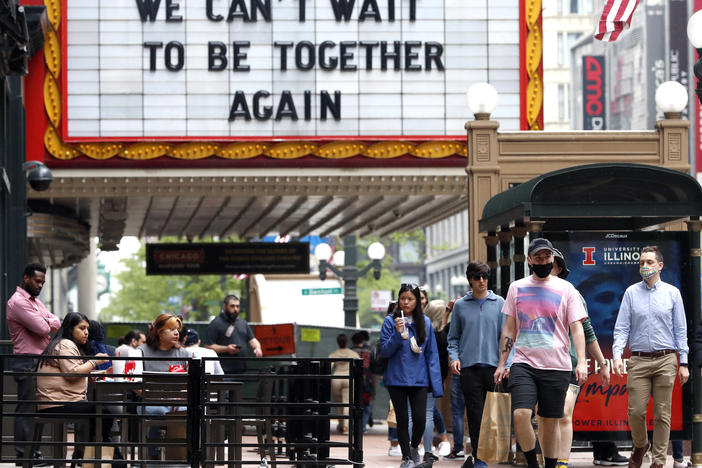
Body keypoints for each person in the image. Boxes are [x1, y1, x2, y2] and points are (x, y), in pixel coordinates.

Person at [494, 238, 588, 468]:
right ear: (529, 260)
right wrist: (502, 363)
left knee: (549, 422)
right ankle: (532, 464)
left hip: (557, 365)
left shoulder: (566, 289)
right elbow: (509, 327)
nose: (543, 261)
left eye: (546, 257)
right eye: (538, 257)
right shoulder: (517, 287)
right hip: (524, 363)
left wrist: (582, 362)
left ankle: (550, 464)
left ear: (553, 259)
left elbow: (577, 327)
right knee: (521, 414)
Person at [539, 249, 622, 468]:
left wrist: (603, 364)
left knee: (564, 412)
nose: (549, 267)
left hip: (569, 364)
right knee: (546, 417)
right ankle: (549, 460)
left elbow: (587, 332)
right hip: (539, 365)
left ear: (559, 268)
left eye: (553, 264)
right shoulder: (529, 291)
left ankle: (562, 463)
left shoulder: (572, 294)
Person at [612, 245, 689, 468]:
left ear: (660, 265)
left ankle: (658, 462)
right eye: (641, 263)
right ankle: (641, 444)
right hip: (639, 359)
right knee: (635, 411)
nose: (644, 267)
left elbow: (680, 330)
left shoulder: (672, 293)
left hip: (666, 359)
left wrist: (683, 362)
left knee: (663, 413)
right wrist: (617, 355)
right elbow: (622, 327)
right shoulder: (631, 293)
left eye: (649, 262)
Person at [448, 261, 508, 468]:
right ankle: (479, 457)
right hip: (469, 369)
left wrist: (505, 363)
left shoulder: (500, 302)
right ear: (470, 280)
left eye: (484, 277)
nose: (481, 281)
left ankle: (498, 452)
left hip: (495, 368)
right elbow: (453, 338)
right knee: (475, 415)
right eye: (477, 277)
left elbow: (507, 336)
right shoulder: (460, 306)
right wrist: (454, 357)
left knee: (495, 414)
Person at [381, 283, 443, 468]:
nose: (406, 302)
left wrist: (436, 384)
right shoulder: (390, 322)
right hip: (396, 378)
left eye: (410, 299)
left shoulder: (426, 322)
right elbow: (385, 351)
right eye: (403, 299)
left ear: (417, 302)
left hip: (419, 378)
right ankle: (406, 458)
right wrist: (398, 335)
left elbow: (432, 354)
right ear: (398, 300)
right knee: (402, 419)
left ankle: (415, 446)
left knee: (420, 418)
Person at [35, 312, 111, 462]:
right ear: (70, 328)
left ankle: (88, 454)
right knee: (104, 414)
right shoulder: (65, 344)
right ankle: (90, 457)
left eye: (87, 329)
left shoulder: (66, 344)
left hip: (60, 401)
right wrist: (94, 361)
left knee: (100, 414)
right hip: (57, 403)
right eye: (82, 328)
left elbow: (76, 371)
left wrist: (103, 372)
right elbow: (72, 373)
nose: (86, 333)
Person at [6, 262, 61, 464]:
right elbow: (43, 327)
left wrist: (46, 321)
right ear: (26, 278)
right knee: (26, 409)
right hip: (27, 361)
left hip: (39, 362)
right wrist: (45, 322)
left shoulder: (35, 303)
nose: (40, 285)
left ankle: (34, 453)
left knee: (38, 409)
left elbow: (57, 321)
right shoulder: (18, 302)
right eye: (37, 281)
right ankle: (24, 455)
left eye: (43, 282)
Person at [137, 313, 192, 458]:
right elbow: (134, 383)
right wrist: (156, 397)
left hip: (178, 402)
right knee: (159, 412)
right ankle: (153, 456)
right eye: (172, 329)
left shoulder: (183, 353)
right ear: (160, 332)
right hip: (150, 401)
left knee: (189, 412)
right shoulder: (141, 351)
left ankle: (185, 456)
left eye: (178, 330)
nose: (176, 333)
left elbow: (190, 382)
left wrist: (179, 398)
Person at [204, 294, 262, 375]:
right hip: (223, 371)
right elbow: (208, 346)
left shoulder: (243, 323)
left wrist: (257, 348)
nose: (235, 309)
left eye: (238, 306)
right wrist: (226, 349)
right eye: (232, 306)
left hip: (241, 370)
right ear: (224, 306)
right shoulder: (215, 324)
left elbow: (252, 340)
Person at [422, 299, 451, 461]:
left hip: (424, 376)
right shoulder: (440, 335)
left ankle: (428, 445)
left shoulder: (426, 333)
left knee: (425, 411)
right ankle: (433, 443)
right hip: (436, 376)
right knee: (429, 410)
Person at [443, 298, 466, 460]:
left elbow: (444, 332)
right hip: (474, 368)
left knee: (458, 411)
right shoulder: (473, 318)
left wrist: (447, 311)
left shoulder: (454, 325)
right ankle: (477, 447)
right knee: (473, 409)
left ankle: (458, 448)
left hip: (458, 369)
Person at [328, 333, 360, 434]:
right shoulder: (353, 354)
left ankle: (341, 424)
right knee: (347, 403)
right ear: (347, 342)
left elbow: (329, 366)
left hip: (336, 379)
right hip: (348, 379)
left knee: (339, 404)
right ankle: (346, 426)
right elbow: (359, 366)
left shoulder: (334, 354)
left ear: (338, 343)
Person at [350, 330, 375, 432]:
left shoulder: (351, 351)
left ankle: (352, 426)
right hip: (368, 381)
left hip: (353, 380)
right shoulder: (370, 350)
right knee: (367, 404)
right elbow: (374, 364)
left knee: (353, 404)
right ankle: (363, 427)